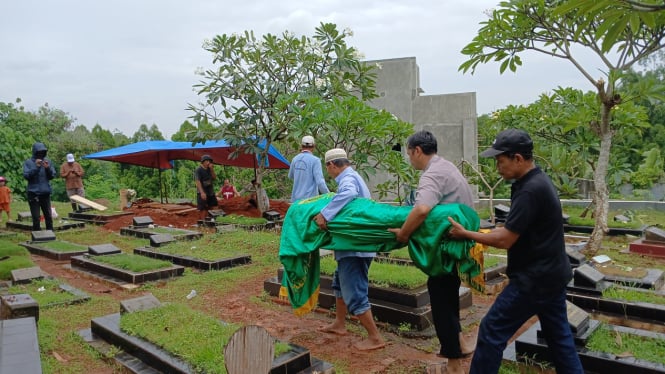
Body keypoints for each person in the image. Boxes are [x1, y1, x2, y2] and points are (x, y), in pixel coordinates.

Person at [447, 129, 583, 374]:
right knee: (559, 338)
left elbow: (506, 239)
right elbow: (517, 227)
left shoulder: (531, 190)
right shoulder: (533, 182)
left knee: (491, 329)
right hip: (552, 275)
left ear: (518, 159)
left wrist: (465, 234)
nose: (497, 167)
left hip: (534, 280)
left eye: (500, 161)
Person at [387, 130, 475, 374]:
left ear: (417, 150)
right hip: (457, 245)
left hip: (447, 248)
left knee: (441, 303)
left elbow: (423, 209)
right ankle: (460, 343)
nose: (409, 159)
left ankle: (453, 363)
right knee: (449, 297)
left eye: (408, 154)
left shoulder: (432, 175)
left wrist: (404, 234)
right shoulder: (446, 166)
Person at [313, 148, 385, 351]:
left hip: (355, 248)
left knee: (354, 292)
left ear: (332, 165)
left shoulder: (348, 180)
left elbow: (348, 193)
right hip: (352, 246)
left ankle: (375, 337)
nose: (328, 172)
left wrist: (325, 214)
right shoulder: (354, 176)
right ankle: (339, 324)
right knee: (338, 284)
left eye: (327, 168)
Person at [23, 142, 57, 231]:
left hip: (45, 193)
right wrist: (36, 167)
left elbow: (52, 176)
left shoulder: (48, 161)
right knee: (36, 217)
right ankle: (37, 234)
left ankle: (50, 233)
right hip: (33, 194)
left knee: (48, 216)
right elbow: (26, 176)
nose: (41, 154)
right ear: (35, 152)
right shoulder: (28, 162)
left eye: (43, 152)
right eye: (39, 152)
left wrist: (47, 168)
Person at [288, 135, 330, 202]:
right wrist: (329, 195)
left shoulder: (295, 159)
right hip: (309, 201)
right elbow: (320, 182)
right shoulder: (315, 160)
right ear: (313, 146)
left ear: (301, 146)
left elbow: (290, 176)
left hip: (295, 201)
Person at [195, 154, 218, 219]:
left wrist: (212, 169)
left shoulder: (209, 169)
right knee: (203, 208)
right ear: (203, 161)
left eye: (209, 161)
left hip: (210, 191)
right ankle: (203, 222)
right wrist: (202, 192)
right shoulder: (198, 170)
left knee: (214, 205)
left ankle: (214, 220)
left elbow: (214, 177)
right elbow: (198, 181)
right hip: (203, 192)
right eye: (207, 161)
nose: (208, 163)